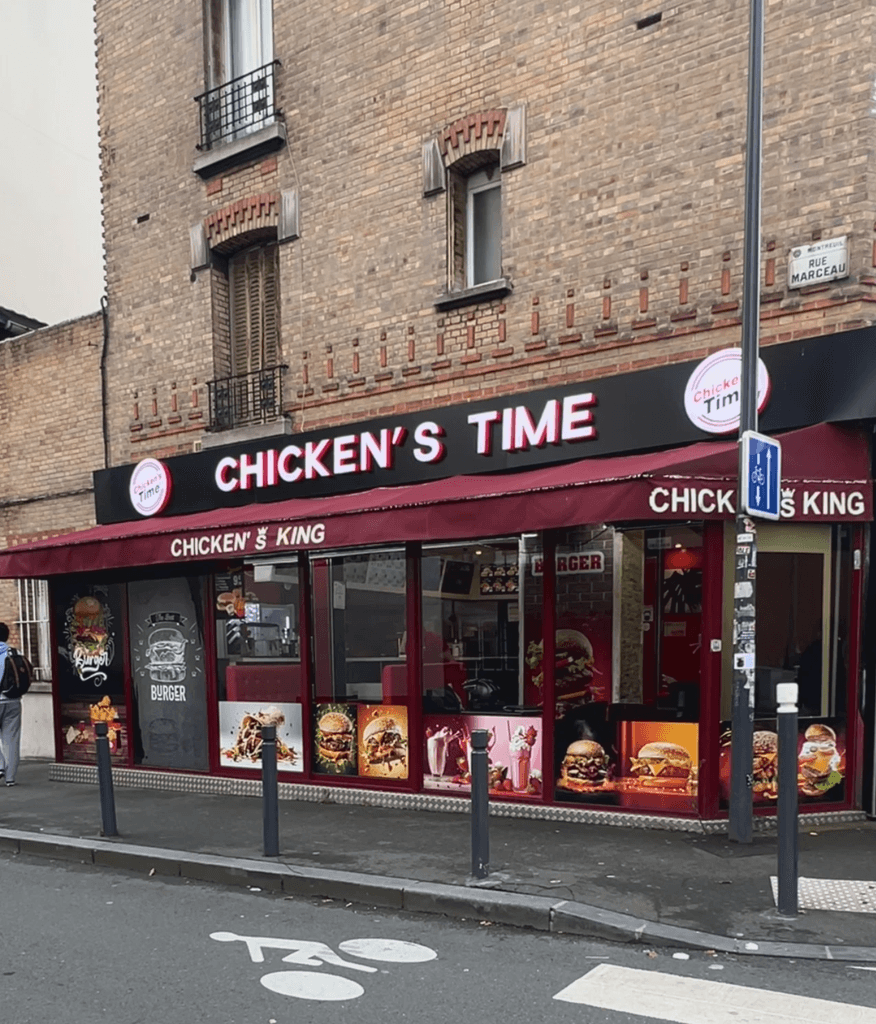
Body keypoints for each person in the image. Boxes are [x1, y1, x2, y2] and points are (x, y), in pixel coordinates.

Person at [0, 622, 22, 786]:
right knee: (12, 738)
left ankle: (0, 766)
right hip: (14, 700)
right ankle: (10, 778)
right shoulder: (15, 652)